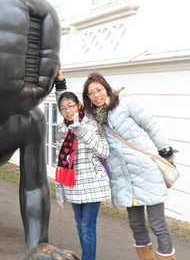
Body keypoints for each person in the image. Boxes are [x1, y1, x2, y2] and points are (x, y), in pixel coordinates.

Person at [80, 72, 177, 260]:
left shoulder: (125, 103)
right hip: (123, 179)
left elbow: (151, 125)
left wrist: (165, 150)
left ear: (106, 88)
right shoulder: (94, 119)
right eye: (90, 93)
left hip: (146, 172)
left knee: (158, 225)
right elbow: (68, 109)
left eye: (98, 90)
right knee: (136, 225)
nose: (96, 95)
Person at [54, 67, 110, 260]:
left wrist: (82, 132)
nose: (67, 111)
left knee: (87, 227)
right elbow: (63, 99)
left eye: (71, 106)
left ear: (79, 105)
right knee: (79, 225)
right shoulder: (62, 127)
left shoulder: (91, 122)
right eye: (63, 108)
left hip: (92, 182)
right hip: (72, 181)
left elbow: (104, 151)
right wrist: (59, 82)